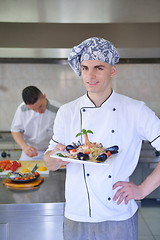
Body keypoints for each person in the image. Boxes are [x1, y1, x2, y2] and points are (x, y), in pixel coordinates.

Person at [44, 37, 160, 240]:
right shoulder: (67, 111)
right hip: (76, 214)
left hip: (118, 214)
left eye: (99, 67)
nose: (90, 75)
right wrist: (53, 160)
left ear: (112, 71)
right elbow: (50, 159)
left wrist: (143, 190)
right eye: (85, 68)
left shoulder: (135, 110)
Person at [11, 85, 59, 160]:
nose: (38, 111)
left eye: (40, 106)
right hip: (29, 151)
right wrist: (25, 147)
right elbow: (15, 130)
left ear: (44, 96)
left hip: (51, 151)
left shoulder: (58, 110)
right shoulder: (22, 109)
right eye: (34, 109)